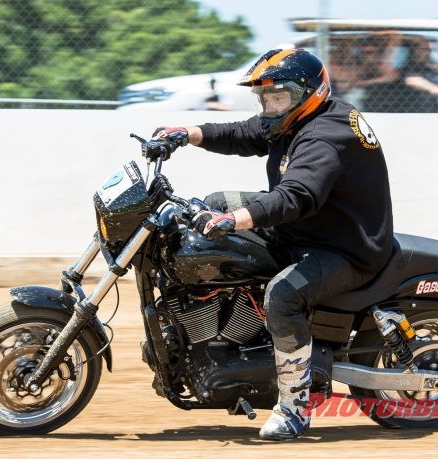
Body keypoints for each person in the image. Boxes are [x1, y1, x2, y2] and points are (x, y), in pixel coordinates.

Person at [148, 48, 394, 441]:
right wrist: (188, 134)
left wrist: (234, 221)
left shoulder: (325, 136)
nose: (269, 106)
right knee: (210, 204)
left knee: (282, 295)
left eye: (277, 97)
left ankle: (294, 407)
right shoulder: (293, 116)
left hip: (343, 248)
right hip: (306, 228)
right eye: (264, 98)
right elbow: (246, 134)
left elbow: (295, 196)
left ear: (307, 92)